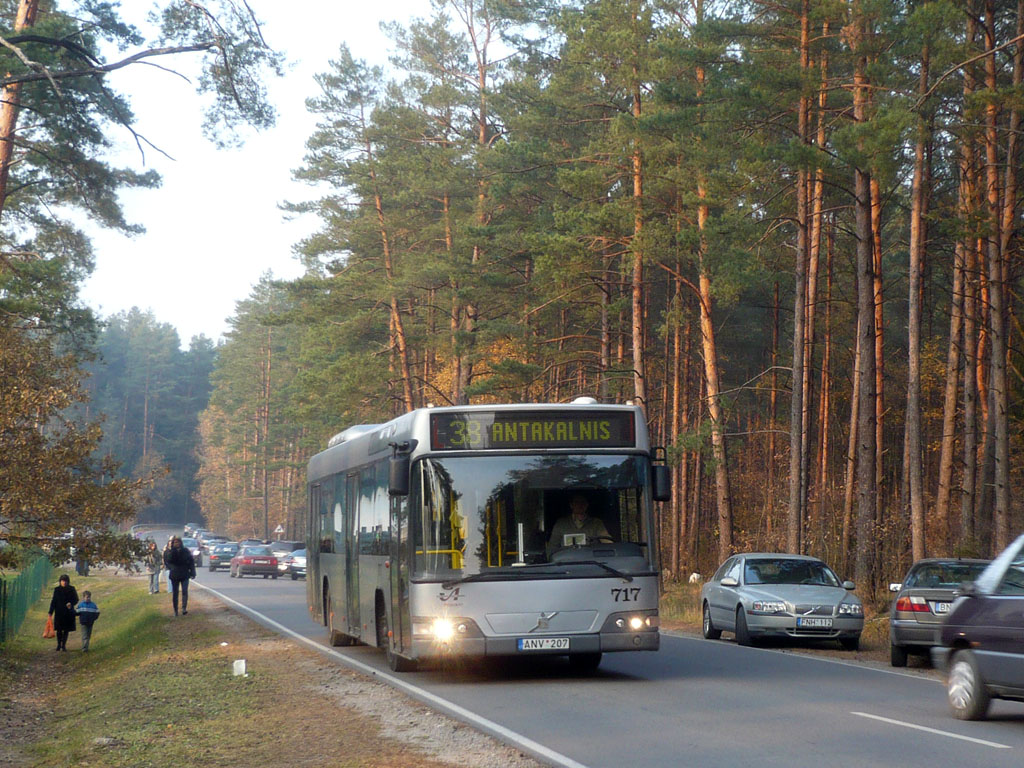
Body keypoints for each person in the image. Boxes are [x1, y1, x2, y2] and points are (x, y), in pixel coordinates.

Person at [547, 493, 613, 556]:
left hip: (591, 562)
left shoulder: (596, 523)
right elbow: (552, 547)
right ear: (571, 505)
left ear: (587, 505)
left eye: (583, 502)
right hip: (566, 562)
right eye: (576, 502)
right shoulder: (561, 523)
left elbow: (607, 541)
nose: (580, 505)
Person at [163, 536, 196, 616]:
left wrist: (193, 572)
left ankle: (184, 608)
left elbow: (191, 562)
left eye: (178, 542)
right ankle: (175, 610)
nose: (176, 544)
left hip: (184, 573)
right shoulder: (170, 552)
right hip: (175, 574)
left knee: (185, 591)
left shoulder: (185, 551)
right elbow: (167, 561)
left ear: (181, 543)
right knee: (175, 593)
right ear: (173, 543)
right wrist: (172, 568)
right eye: (175, 542)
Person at [48, 574, 79, 652]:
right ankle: (58, 644)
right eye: (62, 581)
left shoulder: (72, 589)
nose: (64, 583)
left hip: (68, 612)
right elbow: (54, 601)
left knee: (66, 630)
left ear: (68, 582)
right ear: (60, 582)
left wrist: (71, 603)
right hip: (59, 612)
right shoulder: (57, 590)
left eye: (65, 581)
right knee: (59, 630)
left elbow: (76, 599)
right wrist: (50, 611)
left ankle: (64, 645)